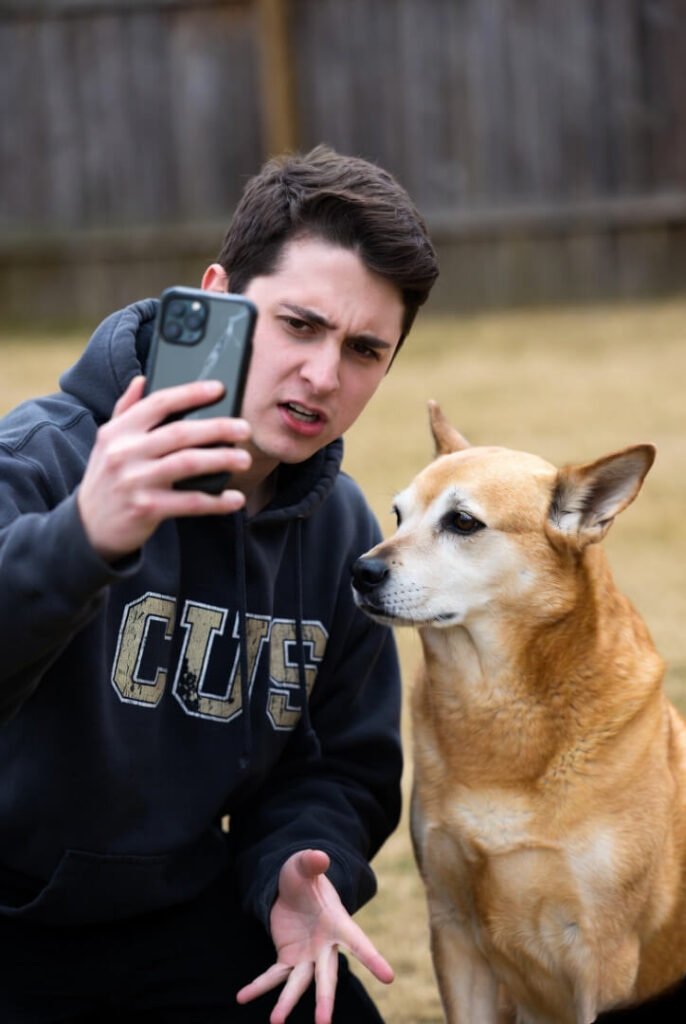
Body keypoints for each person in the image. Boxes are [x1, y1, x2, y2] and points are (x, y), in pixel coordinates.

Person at [0, 145, 439, 1023]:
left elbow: (342, 768)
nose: (323, 376)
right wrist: (83, 537)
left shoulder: (341, 529)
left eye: (363, 350)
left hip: (187, 918)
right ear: (219, 297)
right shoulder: (45, 458)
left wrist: (299, 861)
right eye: (300, 326)